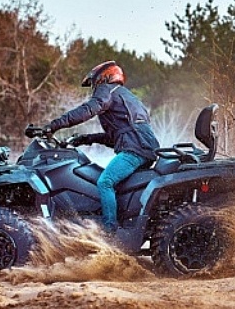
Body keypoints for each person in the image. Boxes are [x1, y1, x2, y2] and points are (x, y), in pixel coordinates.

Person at [45, 61, 159, 233]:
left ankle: (110, 231)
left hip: (134, 151)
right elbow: (119, 135)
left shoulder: (107, 90)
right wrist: (86, 138)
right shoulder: (127, 96)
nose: (93, 87)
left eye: (94, 82)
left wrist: (54, 125)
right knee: (116, 184)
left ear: (104, 77)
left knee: (105, 182)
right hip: (145, 149)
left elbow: (88, 110)